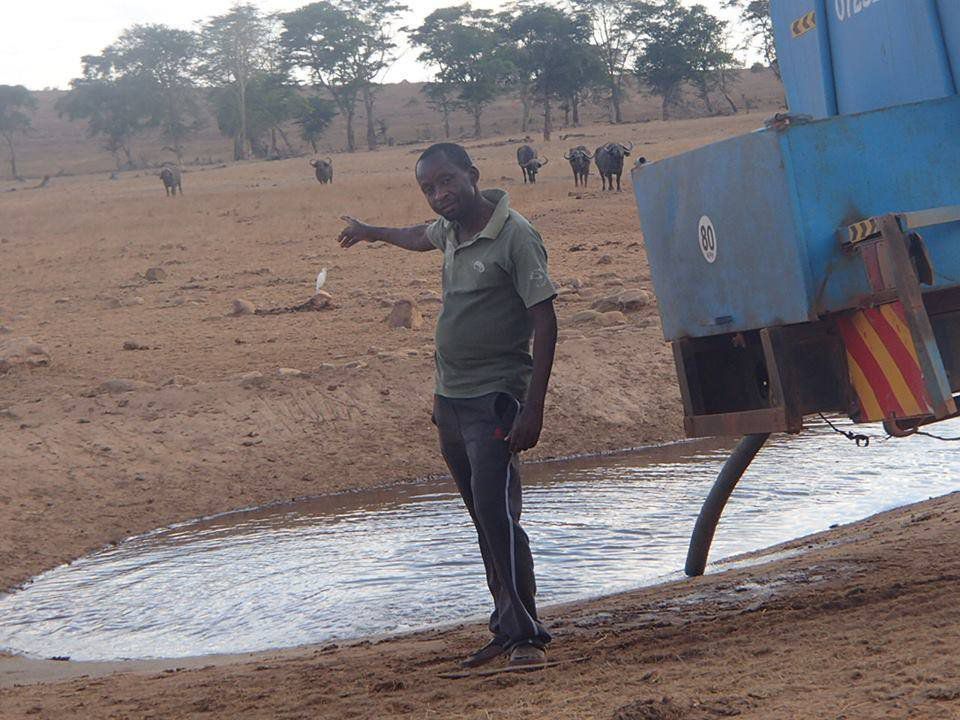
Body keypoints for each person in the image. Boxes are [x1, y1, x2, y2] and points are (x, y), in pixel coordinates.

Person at [336, 142, 557, 669]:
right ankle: (506, 626)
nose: (439, 196)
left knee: (498, 516)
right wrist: (371, 232)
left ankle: (526, 637)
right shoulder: (451, 232)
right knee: (483, 518)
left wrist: (532, 408)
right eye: (428, 189)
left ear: (473, 176)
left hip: (497, 399)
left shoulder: (515, 235)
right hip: (452, 400)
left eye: (446, 182)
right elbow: (418, 236)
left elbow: (545, 320)